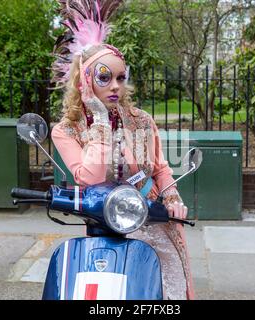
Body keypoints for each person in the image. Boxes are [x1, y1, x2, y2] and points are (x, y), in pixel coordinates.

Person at [50, 0, 194, 300]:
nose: (115, 86)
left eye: (120, 77)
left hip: (147, 218)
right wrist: (100, 119)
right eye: (104, 77)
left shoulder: (141, 120)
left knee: (170, 287)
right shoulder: (66, 130)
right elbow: (89, 178)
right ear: (84, 82)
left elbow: (160, 168)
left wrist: (173, 198)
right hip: (103, 223)